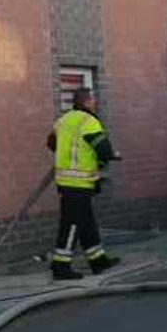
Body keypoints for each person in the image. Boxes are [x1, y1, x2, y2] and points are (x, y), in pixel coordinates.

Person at [46, 88, 121, 280]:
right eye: (93, 99)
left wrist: (67, 155)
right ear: (87, 102)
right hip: (79, 183)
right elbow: (103, 148)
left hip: (65, 181)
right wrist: (104, 161)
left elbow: (51, 143)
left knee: (86, 222)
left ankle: (98, 260)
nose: (95, 102)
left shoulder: (63, 120)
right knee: (71, 225)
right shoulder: (89, 121)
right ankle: (60, 266)